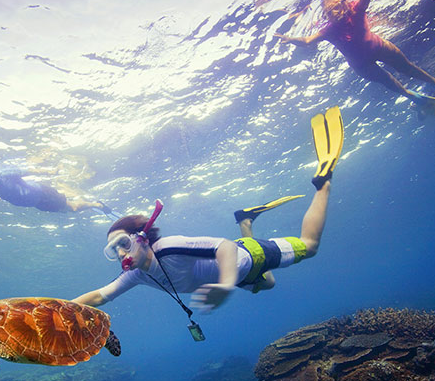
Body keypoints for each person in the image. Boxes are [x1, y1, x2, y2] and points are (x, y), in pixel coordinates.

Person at [72, 106, 344, 320]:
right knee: (269, 284)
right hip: (240, 276)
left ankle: (323, 182)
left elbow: (225, 247)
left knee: (310, 247)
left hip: (249, 256)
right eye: (113, 250)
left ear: (142, 238)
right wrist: (56, 308)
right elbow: (99, 296)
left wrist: (225, 286)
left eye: (123, 243)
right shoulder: (137, 274)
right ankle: (245, 220)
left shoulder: (167, 248)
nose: (120, 253)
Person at [274, 0, 435, 108]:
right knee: (389, 81)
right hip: (362, 65)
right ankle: (414, 97)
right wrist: (291, 39)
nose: (335, 7)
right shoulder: (328, 29)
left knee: (407, 68)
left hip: (379, 47)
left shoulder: (356, 9)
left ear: (342, 3)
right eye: (331, 5)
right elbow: (308, 40)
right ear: (327, 11)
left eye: (337, 1)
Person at [0, 160, 116, 225]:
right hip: (38, 204)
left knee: (73, 208)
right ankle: (92, 204)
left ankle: (96, 204)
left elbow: (30, 170)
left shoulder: (6, 174)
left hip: (43, 193)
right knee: (67, 211)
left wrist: (51, 172)